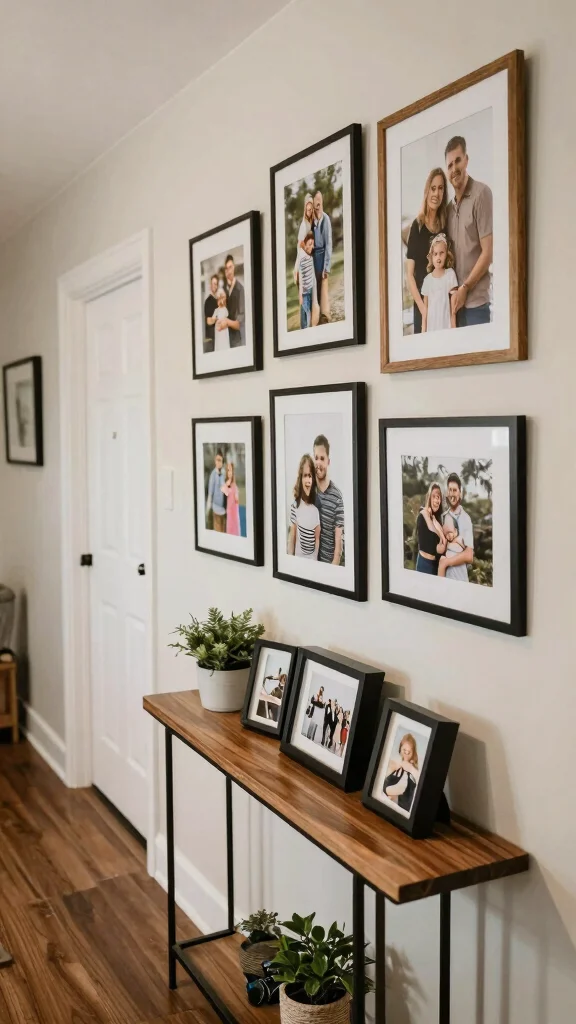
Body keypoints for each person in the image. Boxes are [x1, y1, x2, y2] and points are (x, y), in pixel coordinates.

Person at [445, 136, 493, 327]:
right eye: (449, 165)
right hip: (455, 307)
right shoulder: (448, 209)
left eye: (457, 160)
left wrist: (465, 288)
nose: (454, 168)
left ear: (466, 160)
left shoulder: (482, 194)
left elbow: (488, 253)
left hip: (476, 306)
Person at [405, 168, 449, 334]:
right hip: (423, 306)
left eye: (440, 188)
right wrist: (424, 310)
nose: (436, 193)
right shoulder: (417, 226)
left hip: (443, 305)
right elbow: (409, 275)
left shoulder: (445, 226)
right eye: (433, 188)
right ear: (426, 191)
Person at [313, 434, 344, 566]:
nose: (318, 463)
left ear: (328, 461)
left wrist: (331, 573)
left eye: (322, 458)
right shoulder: (309, 492)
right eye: (316, 458)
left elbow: (339, 548)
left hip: (329, 568)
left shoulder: (337, 497)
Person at [421, 233, 458, 333]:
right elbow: (425, 311)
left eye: (441, 253)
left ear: (447, 254)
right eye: (435, 254)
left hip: (446, 327)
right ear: (431, 256)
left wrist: (454, 331)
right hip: (431, 329)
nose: (438, 257)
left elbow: (453, 309)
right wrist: (423, 333)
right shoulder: (427, 280)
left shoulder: (450, 274)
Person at [440, 473, 474, 581]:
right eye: (450, 490)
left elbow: (469, 555)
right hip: (445, 578)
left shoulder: (466, 519)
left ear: (460, 492)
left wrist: (446, 562)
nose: (452, 494)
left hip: (460, 578)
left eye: (455, 490)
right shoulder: (444, 517)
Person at [287, 455, 320, 559]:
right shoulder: (295, 507)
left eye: (310, 476)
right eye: (305, 475)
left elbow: (317, 540)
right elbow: (292, 538)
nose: (308, 480)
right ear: (300, 478)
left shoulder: (316, 509)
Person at [384, 733, 420, 813]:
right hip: (395, 800)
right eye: (404, 750)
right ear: (400, 749)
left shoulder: (412, 769)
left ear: (413, 752)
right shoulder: (395, 764)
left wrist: (411, 769)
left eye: (409, 751)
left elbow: (401, 789)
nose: (406, 753)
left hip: (404, 806)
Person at [414, 482, 446, 575]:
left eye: (438, 497)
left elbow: (443, 547)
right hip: (424, 565)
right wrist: (441, 538)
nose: (436, 500)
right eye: (434, 496)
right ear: (429, 497)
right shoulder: (422, 516)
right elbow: (431, 547)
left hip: (435, 567)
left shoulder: (436, 520)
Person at [312, 191, 332, 324]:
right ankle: (316, 316)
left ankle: (325, 316)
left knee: (323, 287)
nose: (318, 204)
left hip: (322, 256)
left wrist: (327, 266)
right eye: (315, 202)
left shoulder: (326, 219)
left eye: (320, 201)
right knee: (315, 288)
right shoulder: (311, 220)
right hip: (313, 258)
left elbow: (329, 244)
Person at [219, 254, 246, 347]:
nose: (228, 271)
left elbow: (240, 324)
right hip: (224, 339)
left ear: (234, 268)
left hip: (237, 341)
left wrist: (226, 322)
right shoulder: (222, 290)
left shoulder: (240, 289)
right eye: (226, 268)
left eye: (230, 267)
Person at [438, 513, 467, 581]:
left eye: (450, 532)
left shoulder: (459, 539)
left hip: (459, 570)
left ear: (456, 530)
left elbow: (466, 551)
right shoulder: (447, 542)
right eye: (447, 534)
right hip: (450, 572)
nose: (449, 536)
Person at [294, 193, 315, 284]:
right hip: (303, 250)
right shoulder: (305, 224)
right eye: (308, 210)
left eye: (311, 210)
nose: (309, 212)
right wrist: (307, 252)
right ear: (305, 211)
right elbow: (301, 243)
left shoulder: (311, 222)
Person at [298, 233, 317, 329]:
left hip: (309, 290)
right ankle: (307, 329)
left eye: (313, 244)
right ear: (304, 245)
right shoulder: (303, 257)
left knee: (305, 312)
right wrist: (300, 294)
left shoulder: (310, 257)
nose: (312, 247)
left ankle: (304, 328)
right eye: (310, 244)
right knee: (307, 312)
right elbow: (301, 278)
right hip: (305, 292)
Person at [206, 450, 227, 532]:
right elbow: (210, 493)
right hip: (216, 508)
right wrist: (208, 509)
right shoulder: (213, 475)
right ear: (215, 461)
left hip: (223, 509)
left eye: (220, 460)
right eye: (217, 460)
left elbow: (226, 491)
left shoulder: (224, 473)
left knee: (224, 530)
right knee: (218, 531)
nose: (218, 462)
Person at [221, 462, 240, 536]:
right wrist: (227, 484)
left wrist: (236, 496)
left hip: (234, 512)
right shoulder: (227, 484)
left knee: (235, 529)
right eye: (228, 470)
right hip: (229, 511)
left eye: (230, 470)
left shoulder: (234, 485)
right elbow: (223, 490)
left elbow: (237, 500)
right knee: (229, 529)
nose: (229, 472)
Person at [204, 273, 219, 351]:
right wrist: (218, 318)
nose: (214, 285)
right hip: (211, 339)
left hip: (218, 337)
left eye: (215, 284)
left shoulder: (217, 301)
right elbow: (208, 321)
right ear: (210, 285)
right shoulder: (208, 301)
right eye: (212, 283)